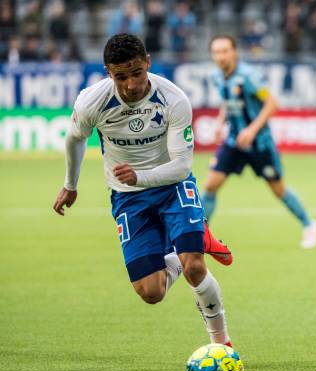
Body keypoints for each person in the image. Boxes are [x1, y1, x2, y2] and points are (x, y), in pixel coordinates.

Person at [53, 34, 232, 347]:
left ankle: (222, 345)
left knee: (194, 266)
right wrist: (71, 185)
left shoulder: (173, 99)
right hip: (127, 197)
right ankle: (189, 242)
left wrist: (141, 175)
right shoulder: (92, 101)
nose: (131, 84)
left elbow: (181, 166)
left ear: (148, 62)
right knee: (151, 293)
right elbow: (74, 139)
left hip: (172, 186)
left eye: (137, 72)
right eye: (120, 76)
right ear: (108, 73)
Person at [203, 34, 316, 249]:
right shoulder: (216, 76)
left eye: (224, 51)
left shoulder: (249, 76)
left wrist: (251, 129)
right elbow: (227, 101)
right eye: (216, 52)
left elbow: (272, 103)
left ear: (234, 52)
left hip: (259, 144)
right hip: (233, 142)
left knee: (278, 189)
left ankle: (309, 225)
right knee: (210, 185)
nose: (220, 56)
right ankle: (200, 236)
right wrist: (220, 122)